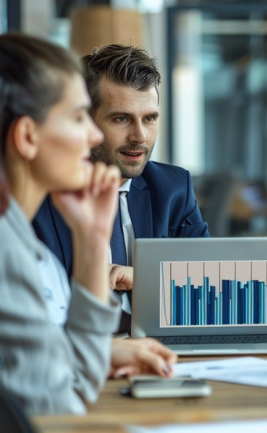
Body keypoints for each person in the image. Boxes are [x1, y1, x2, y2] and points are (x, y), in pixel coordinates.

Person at [0, 33, 176, 415]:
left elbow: (61, 373)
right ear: (28, 136)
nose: (94, 136)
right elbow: (61, 404)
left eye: (149, 118)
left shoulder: (19, 242)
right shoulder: (8, 254)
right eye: (78, 117)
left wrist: (93, 240)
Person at [33, 44, 210, 331]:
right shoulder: (37, 197)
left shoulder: (172, 188)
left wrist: (142, 276)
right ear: (84, 122)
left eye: (150, 118)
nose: (139, 136)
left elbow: (210, 285)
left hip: (156, 350)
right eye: (121, 119)